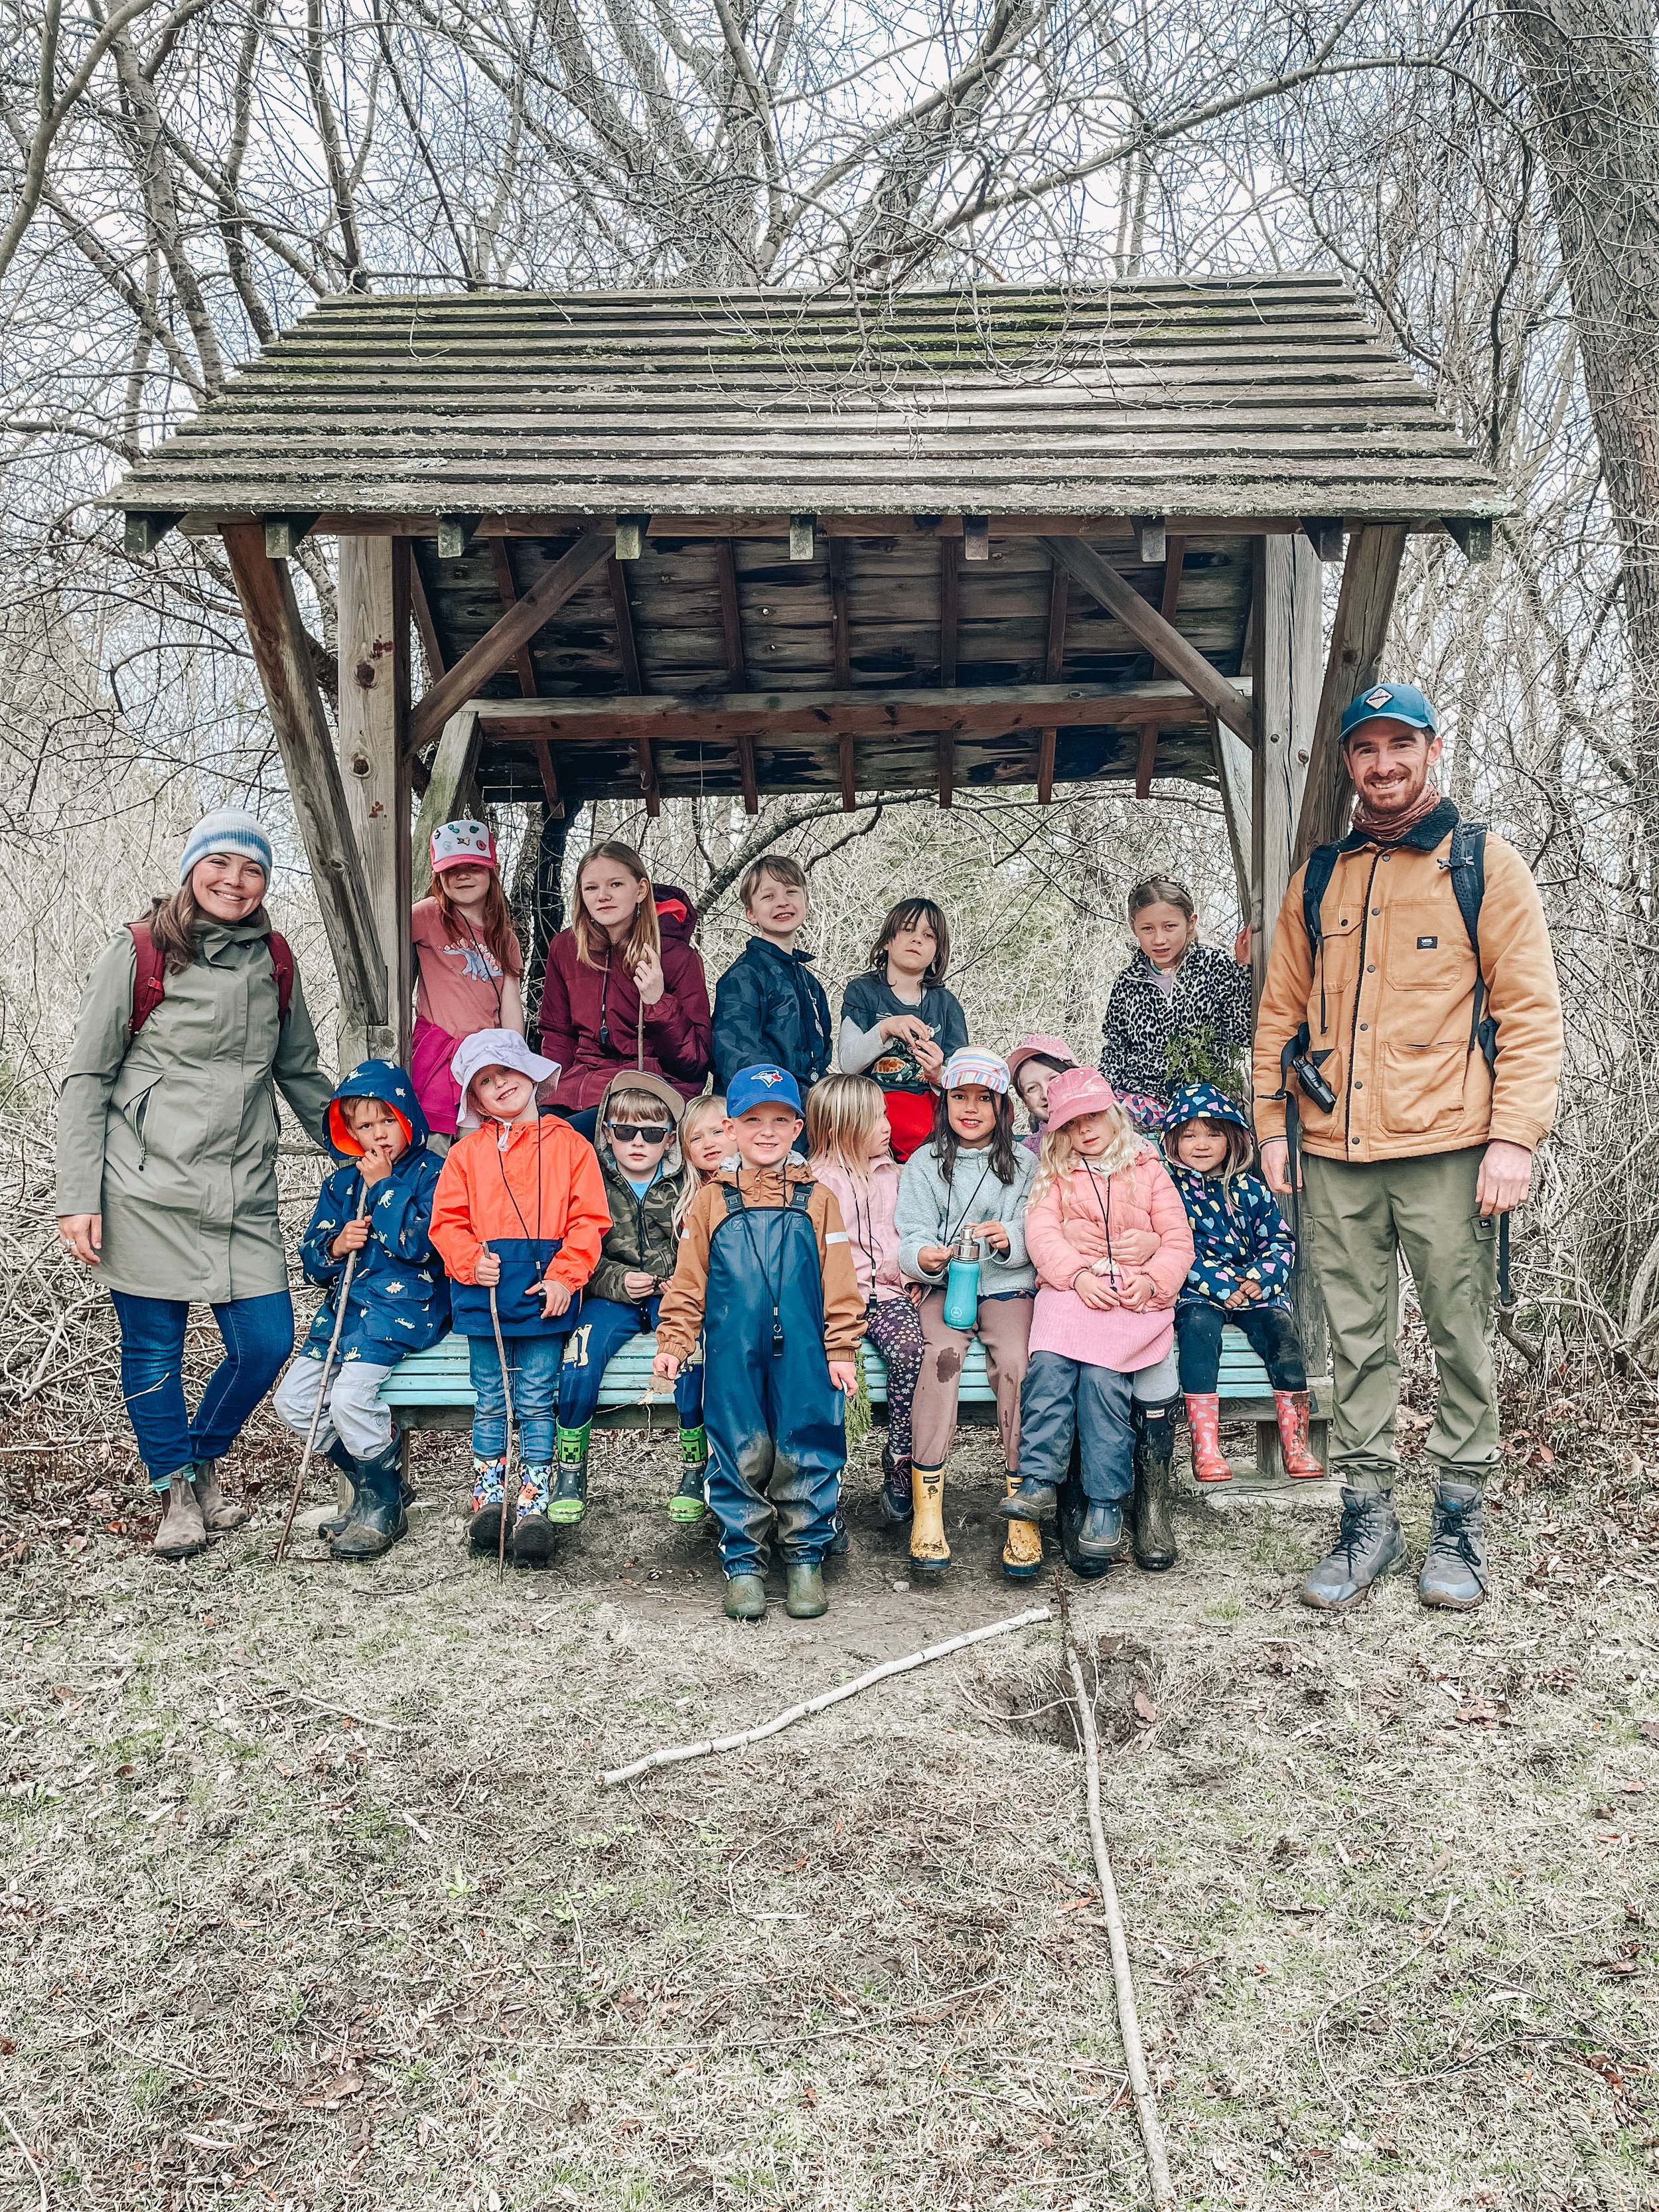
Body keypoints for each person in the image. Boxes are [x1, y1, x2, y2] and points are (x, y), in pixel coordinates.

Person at [1254, 682, 1562, 1613]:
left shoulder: (1486, 864)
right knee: (1355, 1339)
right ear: (1348, 763)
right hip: (1335, 1152)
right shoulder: (1320, 877)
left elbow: (1532, 1013)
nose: (1383, 765)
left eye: (1399, 746)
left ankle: (1460, 1521)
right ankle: (1367, 1515)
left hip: (1451, 1146)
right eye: (1365, 750)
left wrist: (1514, 1137)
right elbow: (1280, 1013)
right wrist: (1273, 1127)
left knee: (1462, 1333)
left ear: (1433, 749)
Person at [55, 810, 332, 1560]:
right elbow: (88, 1078)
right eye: (221, 865)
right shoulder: (139, 951)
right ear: (191, 869)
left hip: (241, 1188)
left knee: (267, 1343)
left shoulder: (274, 958)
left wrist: (361, 1147)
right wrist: (78, 1193)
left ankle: (203, 1458)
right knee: (153, 1350)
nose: (235, 883)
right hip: (142, 1186)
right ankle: (175, 1489)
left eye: (253, 871)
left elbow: (300, 1071)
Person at [653, 1065, 864, 1624]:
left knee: (806, 1445)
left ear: (798, 1127)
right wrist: (675, 1340)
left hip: (805, 1353)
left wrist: (841, 1347)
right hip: (732, 1354)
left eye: (779, 1120)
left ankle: (803, 1556)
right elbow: (689, 1279)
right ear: (731, 1128)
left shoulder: (819, 1200)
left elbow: (841, 1278)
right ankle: (744, 1562)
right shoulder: (710, 1202)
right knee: (739, 1449)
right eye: (752, 1120)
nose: (766, 1131)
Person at [429, 1029, 611, 1564]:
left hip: (543, 1297)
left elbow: (588, 1221)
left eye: (505, 1071)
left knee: (535, 1399)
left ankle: (534, 1500)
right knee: (490, 1400)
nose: (499, 1084)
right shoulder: (465, 1155)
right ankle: (488, 1500)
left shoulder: (571, 1146)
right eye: (485, 1081)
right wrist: (468, 1261)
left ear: (530, 1071)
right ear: (474, 1099)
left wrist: (564, 1277)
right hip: (483, 1297)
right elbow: (448, 1223)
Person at [1005, 1068, 1194, 1566]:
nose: (1085, 1130)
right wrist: (1074, 1273)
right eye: (1072, 1123)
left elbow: (1178, 1240)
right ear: (1060, 1131)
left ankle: (1106, 1505)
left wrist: (1153, 1279)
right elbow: (1040, 1233)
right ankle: (1041, 1478)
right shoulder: (1057, 1175)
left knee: (1103, 1385)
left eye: (1093, 1117)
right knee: (1047, 1367)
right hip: (1073, 1293)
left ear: (1112, 1114)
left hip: (1129, 1300)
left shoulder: (1148, 1168)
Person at [274, 1061, 449, 1558]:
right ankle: (380, 1488)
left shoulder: (432, 1174)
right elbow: (311, 1263)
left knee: (350, 1398)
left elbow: (420, 1244)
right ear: (348, 1132)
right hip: (344, 1316)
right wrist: (334, 1248)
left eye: (387, 1120)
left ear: (407, 1117)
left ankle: (382, 1509)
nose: (378, 1134)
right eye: (365, 1126)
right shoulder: (341, 1186)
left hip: (402, 1312)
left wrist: (388, 1187)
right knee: (294, 1401)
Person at [896, 1049, 1037, 1581]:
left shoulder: (1025, 1163)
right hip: (945, 1286)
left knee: (1018, 1363)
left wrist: (1011, 1240)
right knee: (940, 1359)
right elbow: (911, 1234)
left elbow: (1034, 1226)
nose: (971, 1109)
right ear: (945, 1101)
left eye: (984, 1099)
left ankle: (1022, 1504)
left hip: (1005, 1287)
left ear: (1003, 1107)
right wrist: (923, 1256)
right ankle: (928, 1511)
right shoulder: (924, 1162)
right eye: (960, 1097)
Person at [553, 1072, 707, 1526]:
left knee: (691, 1350)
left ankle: (695, 1465)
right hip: (611, 1294)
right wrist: (620, 1281)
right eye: (625, 1131)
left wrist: (674, 1282)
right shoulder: (592, 1180)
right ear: (607, 1132)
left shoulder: (687, 1183)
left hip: (673, 1296)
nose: (637, 1142)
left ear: (670, 1138)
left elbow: (700, 1250)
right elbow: (580, 1251)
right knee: (580, 1350)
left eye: (652, 1133)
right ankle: (570, 1468)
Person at [1160, 1082, 1321, 1486]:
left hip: (1253, 1290)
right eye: (1189, 1134)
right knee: (1197, 1332)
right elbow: (1171, 1245)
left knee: (1282, 1334)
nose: (1201, 1144)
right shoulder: (1169, 1191)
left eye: (1213, 1132)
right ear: (1173, 1142)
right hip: (1197, 1289)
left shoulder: (1250, 1189)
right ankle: (1206, 1447)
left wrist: (1259, 1279)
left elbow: (1280, 1240)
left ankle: (1296, 1442)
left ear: (1233, 1138)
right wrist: (1217, 1285)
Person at [806, 1072, 924, 1527]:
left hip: (891, 1294)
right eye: (874, 1118)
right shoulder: (817, 1183)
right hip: (836, 1301)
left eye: (884, 1115)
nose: (887, 1125)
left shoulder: (896, 1176)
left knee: (911, 1349)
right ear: (840, 1128)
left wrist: (919, 1274)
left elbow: (913, 1234)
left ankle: (899, 1454)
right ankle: (825, 1482)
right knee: (830, 1375)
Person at [538, 842, 711, 1134]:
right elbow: (557, 1034)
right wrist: (549, 1091)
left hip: (647, 1090)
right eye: (591, 888)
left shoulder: (676, 956)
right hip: (576, 1089)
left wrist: (659, 1002)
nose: (603, 896)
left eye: (615, 884)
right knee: (528, 1139)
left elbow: (694, 1063)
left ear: (641, 890)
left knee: (563, 1141)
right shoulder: (566, 948)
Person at [409, 819, 524, 1142]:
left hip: (488, 1059)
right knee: (438, 1143)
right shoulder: (427, 915)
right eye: (451, 869)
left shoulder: (505, 937)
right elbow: (382, 938)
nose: (462, 876)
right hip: (442, 1052)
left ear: (492, 871)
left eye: (473, 866)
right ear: (439, 878)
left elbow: (511, 1005)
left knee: (484, 1142)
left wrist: (514, 1057)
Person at [1100, 875, 1252, 1106]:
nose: (1159, 939)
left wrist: (1243, 970)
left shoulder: (1214, 965)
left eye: (1170, 927)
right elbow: (1116, 1047)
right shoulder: (1127, 982)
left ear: (1190, 922)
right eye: (1147, 929)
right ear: (1134, 928)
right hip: (1140, 1099)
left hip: (1203, 1098)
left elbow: (1244, 1033)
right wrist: (1100, 1091)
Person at [839, 897, 968, 1163]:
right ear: (887, 941)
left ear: (937, 953)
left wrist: (938, 1073)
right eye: (908, 930)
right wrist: (885, 1028)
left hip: (928, 1104)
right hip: (874, 1102)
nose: (917, 939)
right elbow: (848, 1063)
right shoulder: (863, 992)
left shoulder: (946, 1005)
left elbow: (962, 1079)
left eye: (928, 935)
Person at [711, 853, 833, 1094]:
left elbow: (821, 1057)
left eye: (791, 892)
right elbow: (737, 1056)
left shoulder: (811, 985)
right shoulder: (744, 976)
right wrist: (786, 1097)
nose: (782, 902)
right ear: (751, 913)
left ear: (806, 903)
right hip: (762, 1109)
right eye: (769, 896)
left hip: (809, 1110)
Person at [679, 1093, 732, 1182]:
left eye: (718, 1132)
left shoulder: (759, 1181)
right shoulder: (683, 1193)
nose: (708, 1144)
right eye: (696, 1138)